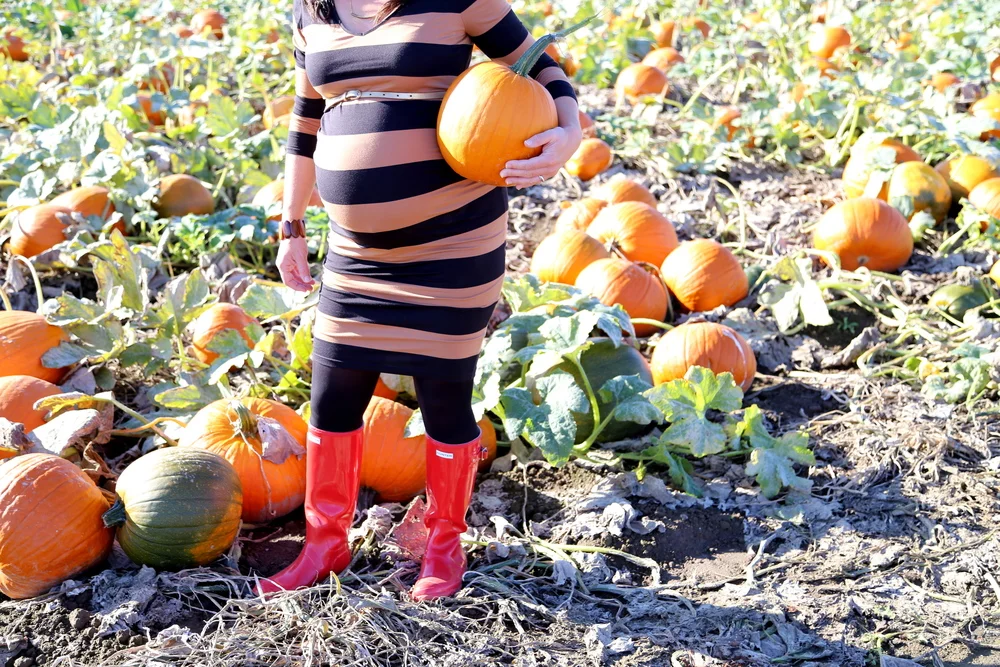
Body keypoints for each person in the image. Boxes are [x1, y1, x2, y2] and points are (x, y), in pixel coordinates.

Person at [259, 0, 582, 601]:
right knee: (332, 395)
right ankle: (324, 545)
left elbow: (544, 68)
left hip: (454, 239)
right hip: (355, 252)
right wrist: (291, 227)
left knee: (444, 397)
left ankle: (443, 548)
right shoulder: (311, 12)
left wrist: (567, 132)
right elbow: (305, 120)